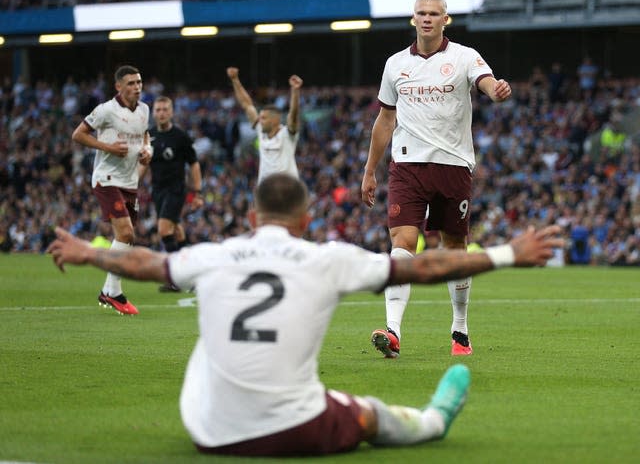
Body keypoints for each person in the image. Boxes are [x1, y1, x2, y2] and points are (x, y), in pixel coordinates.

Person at [47, 173, 563, 457]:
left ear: (251, 218)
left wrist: (89, 252)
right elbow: (422, 267)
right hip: (294, 428)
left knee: (208, 348)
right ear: (306, 220)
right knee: (366, 414)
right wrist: (506, 254)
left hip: (209, 431)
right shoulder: (327, 258)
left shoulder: (215, 254)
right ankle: (431, 422)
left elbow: (144, 261)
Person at [361, 0, 513, 358]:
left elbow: (485, 81)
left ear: (446, 20)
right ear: (413, 20)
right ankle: (393, 330)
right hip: (407, 165)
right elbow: (385, 120)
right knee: (402, 243)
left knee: (454, 248)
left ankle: (460, 329)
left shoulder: (463, 56)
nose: (427, 18)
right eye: (421, 13)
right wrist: (370, 170)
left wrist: (496, 90)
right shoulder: (395, 64)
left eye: (434, 13)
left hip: (453, 164)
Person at [71, 64, 151, 315]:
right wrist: (107, 148)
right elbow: (78, 135)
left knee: (126, 238)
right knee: (126, 233)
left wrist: (147, 151)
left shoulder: (144, 110)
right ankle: (114, 293)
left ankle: (108, 290)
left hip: (129, 180)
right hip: (106, 178)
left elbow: (144, 136)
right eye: (131, 83)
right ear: (118, 86)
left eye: (139, 82)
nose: (137, 87)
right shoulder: (106, 110)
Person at [138, 95, 204, 292]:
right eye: (158, 110)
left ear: (172, 112)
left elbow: (194, 164)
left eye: (165, 109)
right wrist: (132, 186)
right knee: (176, 231)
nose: (161, 113)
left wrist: (198, 192)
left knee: (164, 230)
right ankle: (192, 275)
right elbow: (144, 164)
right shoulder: (149, 136)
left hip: (176, 189)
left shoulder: (180, 137)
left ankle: (177, 279)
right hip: (157, 190)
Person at [226, 66, 303, 183]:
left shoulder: (287, 134)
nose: (260, 121)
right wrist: (235, 80)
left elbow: (293, 115)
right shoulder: (261, 131)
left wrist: (295, 91)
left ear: (275, 120)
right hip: (266, 193)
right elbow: (247, 105)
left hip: (288, 192)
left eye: (264, 118)